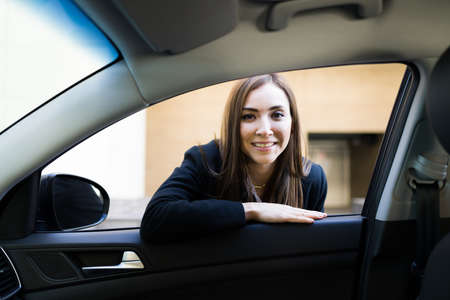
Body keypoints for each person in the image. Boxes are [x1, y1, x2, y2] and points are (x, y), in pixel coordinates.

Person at [140, 74, 327, 243]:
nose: (264, 130)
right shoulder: (205, 160)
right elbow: (155, 219)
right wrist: (250, 210)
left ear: (292, 124)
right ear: (233, 125)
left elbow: (311, 248)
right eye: (248, 116)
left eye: (277, 115)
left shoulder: (312, 177)